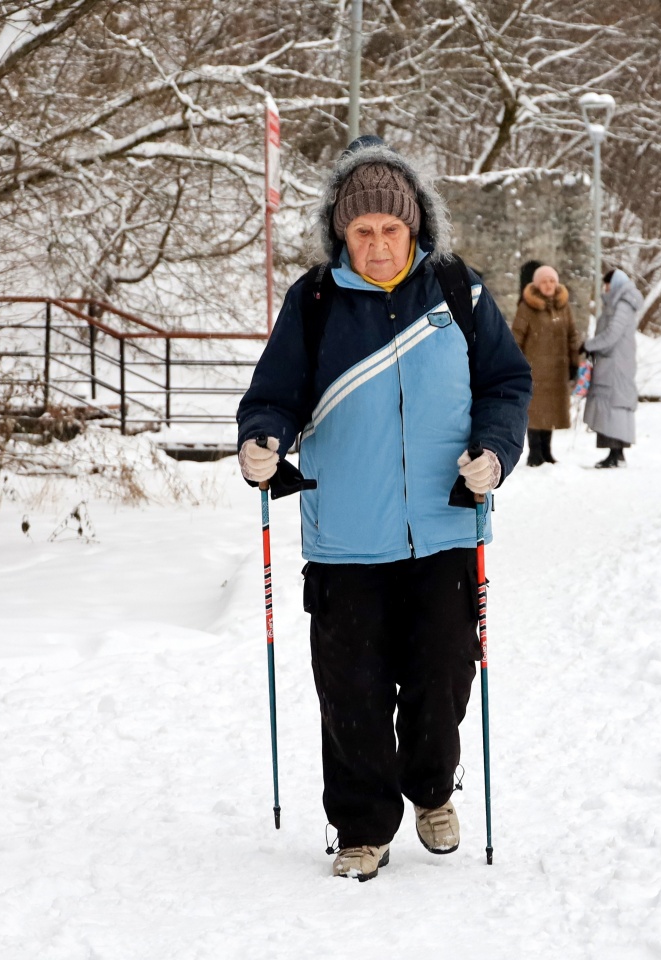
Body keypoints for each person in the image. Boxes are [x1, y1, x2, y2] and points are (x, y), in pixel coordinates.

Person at [236, 136, 532, 882]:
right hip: (346, 540)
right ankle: (362, 826)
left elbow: (506, 384)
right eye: (359, 230)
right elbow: (272, 396)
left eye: (388, 229)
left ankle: (432, 789)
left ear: (414, 229)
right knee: (353, 697)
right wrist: (261, 441)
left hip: (444, 528)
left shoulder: (459, 294)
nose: (373, 243)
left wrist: (495, 451)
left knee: (442, 681)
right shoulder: (314, 303)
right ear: (341, 231)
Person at [511, 265, 581, 466]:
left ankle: (547, 451)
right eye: (544, 281)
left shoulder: (563, 306)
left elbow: (572, 335)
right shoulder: (526, 307)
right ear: (536, 284)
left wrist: (575, 362)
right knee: (535, 410)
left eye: (552, 281)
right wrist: (516, 366)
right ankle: (535, 452)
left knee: (551, 409)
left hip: (557, 369)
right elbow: (516, 337)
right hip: (534, 370)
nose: (548, 285)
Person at [583, 265, 642, 468]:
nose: (605, 290)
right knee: (612, 404)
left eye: (606, 285)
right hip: (614, 362)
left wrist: (589, 345)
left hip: (615, 364)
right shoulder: (619, 303)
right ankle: (615, 453)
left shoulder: (622, 305)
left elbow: (612, 334)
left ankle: (616, 453)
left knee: (614, 404)